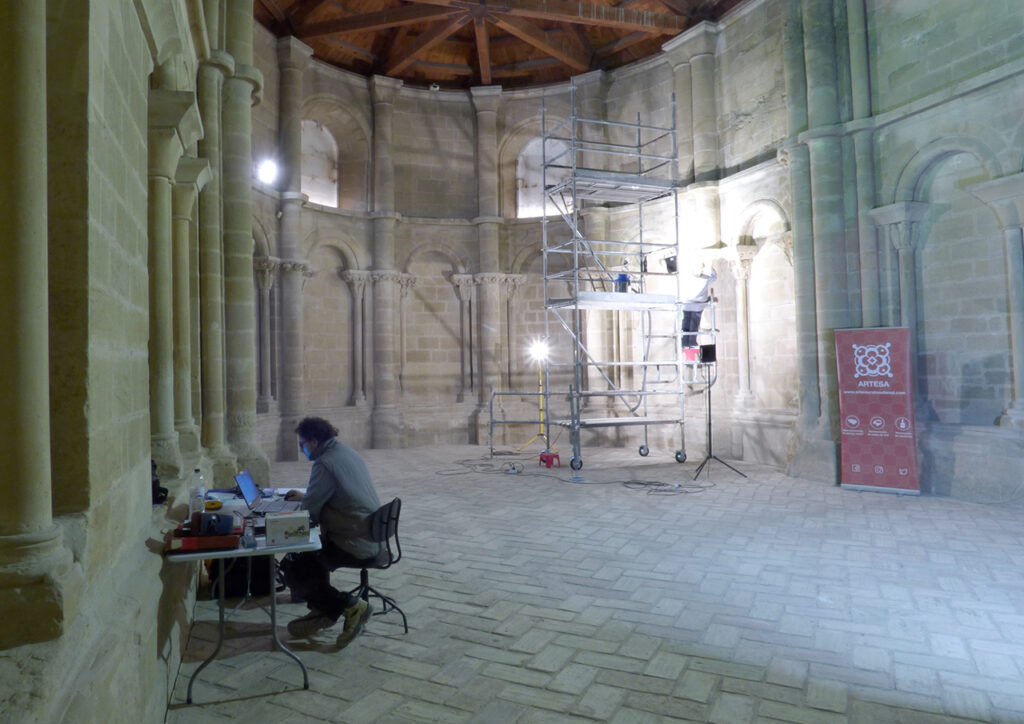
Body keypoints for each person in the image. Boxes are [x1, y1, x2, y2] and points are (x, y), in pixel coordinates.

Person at [280, 416, 383, 647]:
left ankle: (349, 606)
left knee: (292, 565)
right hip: (368, 535)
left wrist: (278, 522)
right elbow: (337, 498)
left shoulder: (324, 463)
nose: (301, 449)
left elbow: (310, 515)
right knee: (307, 558)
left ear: (314, 441)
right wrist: (306, 498)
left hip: (352, 541)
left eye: (302, 444)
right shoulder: (344, 452)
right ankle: (323, 613)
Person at [681, 262, 717, 348]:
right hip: (698, 305)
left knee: (686, 322)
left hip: (687, 303)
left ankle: (684, 342)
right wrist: (711, 268)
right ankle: (692, 342)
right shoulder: (704, 278)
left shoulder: (688, 278)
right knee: (694, 323)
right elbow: (714, 278)